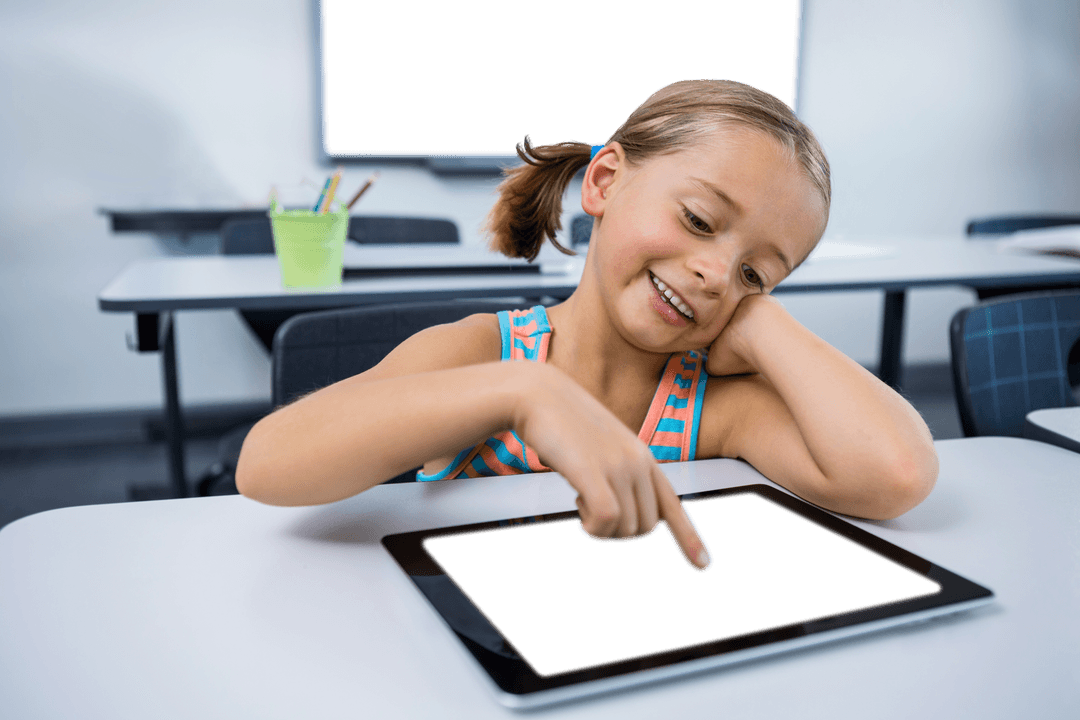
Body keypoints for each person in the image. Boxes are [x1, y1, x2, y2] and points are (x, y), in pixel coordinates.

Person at [236, 79, 938, 573]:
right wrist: (523, 394)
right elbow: (267, 465)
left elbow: (897, 473)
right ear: (603, 182)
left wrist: (760, 325)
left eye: (755, 273)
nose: (718, 275)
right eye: (698, 220)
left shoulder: (712, 410)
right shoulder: (482, 352)